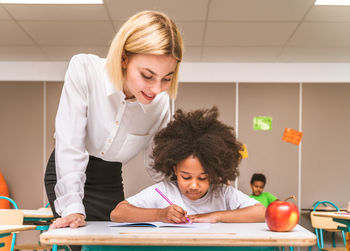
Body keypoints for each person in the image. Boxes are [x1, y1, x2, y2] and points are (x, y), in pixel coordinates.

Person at [44, 10, 184, 230]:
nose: (157, 89)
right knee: (81, 239)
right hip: (68, 168)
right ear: (123, 58)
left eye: (167, 78)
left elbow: (159, 165)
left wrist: (188, 191)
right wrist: (73, 209)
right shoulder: (85, 70)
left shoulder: (161, 104)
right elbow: (70, 146)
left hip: (109, 179)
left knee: (111, 241)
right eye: (147, 76)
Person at [111, 107, 265, 223]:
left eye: (203, 178)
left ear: (214, 173)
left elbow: (261, 212)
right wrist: (160, 214)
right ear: (175, 168)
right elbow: (117, 213)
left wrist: (215, 216)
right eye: (186, 177)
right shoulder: (163, 191)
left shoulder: (222, 194)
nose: (193, 185)